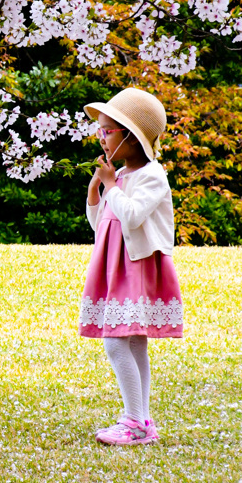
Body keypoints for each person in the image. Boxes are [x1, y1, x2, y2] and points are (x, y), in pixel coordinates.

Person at [80, 87, 182, 446]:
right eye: (101, 130)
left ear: (133, 139)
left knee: (115, 343)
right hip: (113, 266)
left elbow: (133, 217)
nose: (101, 137)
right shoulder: (119, 177)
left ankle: (135, 420)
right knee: (134, 342)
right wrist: (97, 191)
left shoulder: (152, 175)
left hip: (135, 269)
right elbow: (101, 224)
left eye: (108, 130)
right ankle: (141, 419)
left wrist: (112, 186)